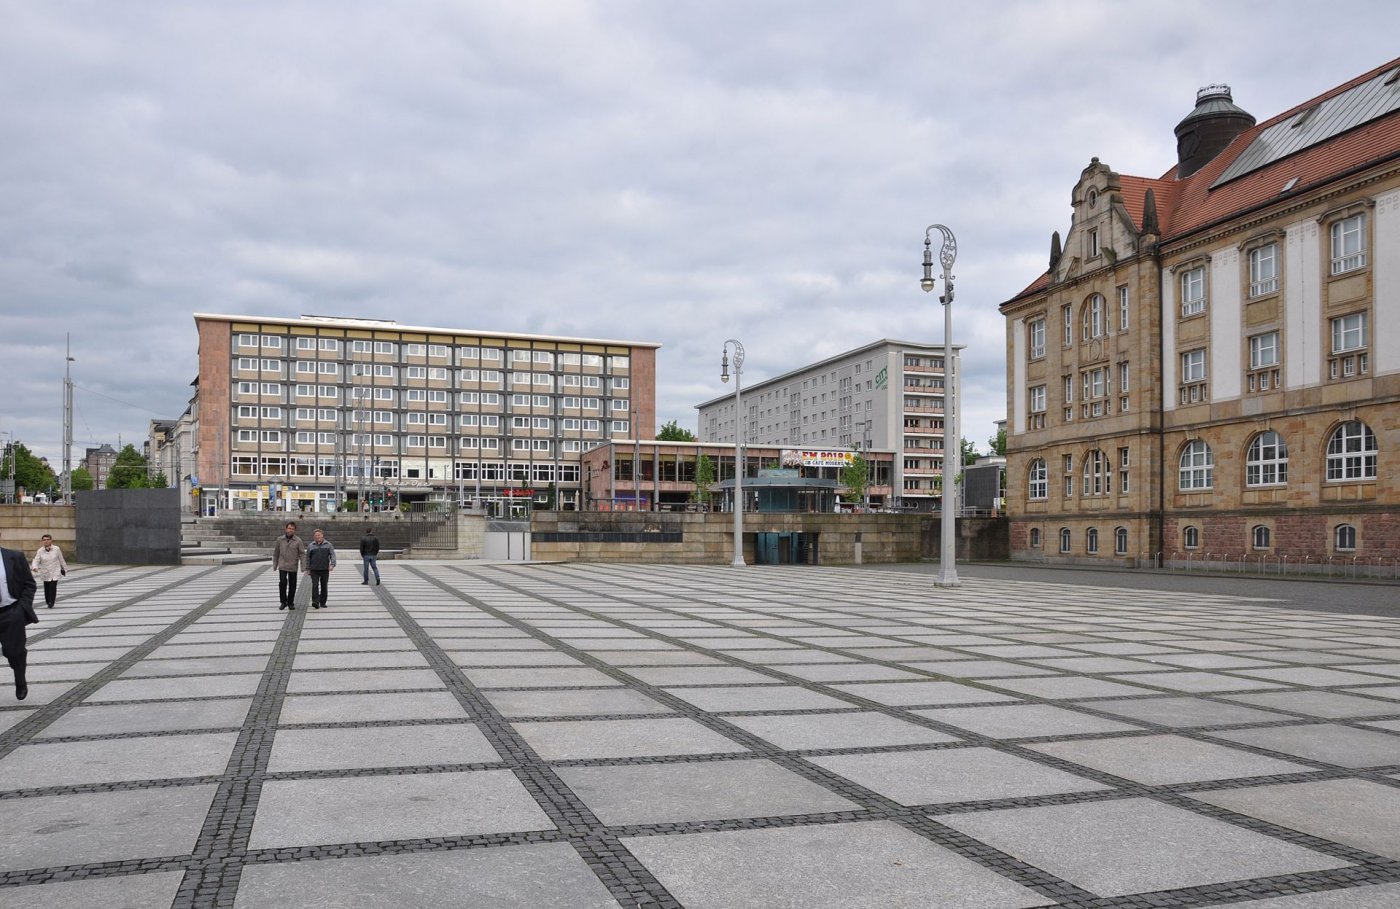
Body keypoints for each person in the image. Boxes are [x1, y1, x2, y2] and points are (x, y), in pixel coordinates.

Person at [1, 546, 38, 700]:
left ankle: (20, 680)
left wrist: (22, 608)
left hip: (11, 611)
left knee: (14, 652)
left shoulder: (14, 557)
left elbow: (29, 584)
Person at [272, 521, 306, 611]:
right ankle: (283, 602)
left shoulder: (298, 540)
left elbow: (302, 554)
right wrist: (275, 565)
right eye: (289, 528)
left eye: (292, 529)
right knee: (282, 583)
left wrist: (303, 566)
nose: (290, 530)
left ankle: (290, 602)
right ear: (286, 529)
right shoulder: (280, 539)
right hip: (282, 565)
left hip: (293, 565)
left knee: (292, 585)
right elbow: (276, 553)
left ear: (295, 530)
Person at [30, 534, 69, 608]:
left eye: (48, 539)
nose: (46, 541)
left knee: (53, 586)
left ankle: (51, 602)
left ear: (51, 540)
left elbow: (61, 559)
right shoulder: (40, 550)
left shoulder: (56, 549)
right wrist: (34, 567)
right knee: (47, 587)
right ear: (42, 541)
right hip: (45, 572)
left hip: (55, 571)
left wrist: (65, 569)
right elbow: (36, 560)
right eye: (44, 540)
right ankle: (48, 601)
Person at [304, 527, 337, 609]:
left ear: (322, 535)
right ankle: (315, 602)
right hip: (314, 569)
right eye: (316, 535)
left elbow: (333, 555)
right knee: (314, 586)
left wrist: (332, 564)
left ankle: (322, 602)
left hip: (325, 569)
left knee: (324, 586)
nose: (317, 536)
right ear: (314, 537)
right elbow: (307, 558)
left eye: (319, 535)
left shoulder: (328, 545)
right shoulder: (311, 546)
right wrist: (307, 568)